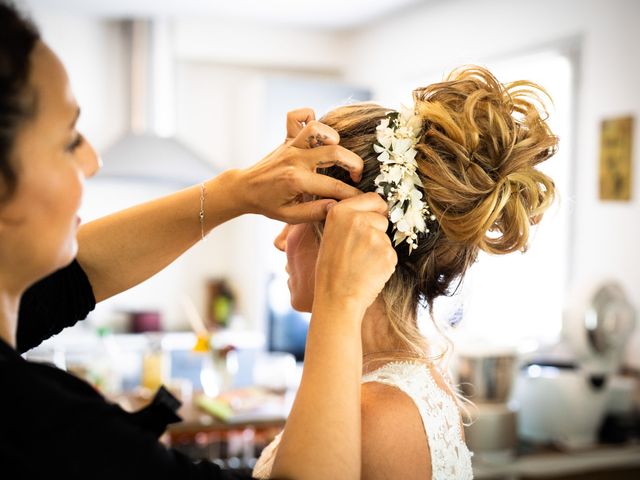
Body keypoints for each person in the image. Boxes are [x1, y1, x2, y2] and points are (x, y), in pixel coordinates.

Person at [0, 2, 399, 479]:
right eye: (68, 140)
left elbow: (81, 274)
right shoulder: (36, 430)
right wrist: (339, 301)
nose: (92, 161)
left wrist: (239, 190)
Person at [252, 66, 558, 479]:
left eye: (295, 213)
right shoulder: (375, 385)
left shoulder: (381, 414)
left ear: (347, 235)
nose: (280, 240)